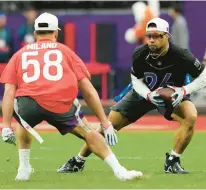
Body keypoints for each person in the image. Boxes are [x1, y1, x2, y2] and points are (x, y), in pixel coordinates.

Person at [0, 12, 143, 181]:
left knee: (23, 120)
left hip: (28, 104)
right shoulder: (65, 52)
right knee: (89, 133)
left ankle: (23, 169)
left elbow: (9, 92)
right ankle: (120, 171)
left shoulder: (19, 54)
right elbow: (88, 90)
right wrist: (104, 122)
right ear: (56, 32)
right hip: (60, 104)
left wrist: (6, 125)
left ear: (35, 33)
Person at [58, 17, 206, 175]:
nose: (151, 40)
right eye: (149, 36)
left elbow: (203, 76)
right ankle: (78, 160)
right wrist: (148, 95)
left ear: (167, 36)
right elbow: (136, 81)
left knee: (190, 116)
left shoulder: (181, 55)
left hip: (172, 94)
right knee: (107, 127)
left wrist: (184, 91)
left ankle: (173, 160)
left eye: (157, 36)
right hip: (142, 93)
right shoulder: (140, 53)